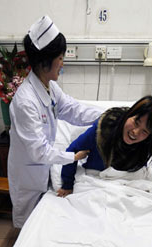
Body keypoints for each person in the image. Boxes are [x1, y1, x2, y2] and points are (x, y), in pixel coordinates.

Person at [8, 15, 101, 228]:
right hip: (27, 174)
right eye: (60, 58)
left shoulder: (49, 86)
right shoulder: (25, 101)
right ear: (44, 61)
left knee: (41, 221)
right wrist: (73, 156)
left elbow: (72, 109)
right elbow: (38, 151)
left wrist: (103, 115)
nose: (62, 63)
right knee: (26, 223)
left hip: (42, 168)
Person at [57, 95, 152, 197]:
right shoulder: (102, 130)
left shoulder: (145, 143)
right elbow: (72, 150)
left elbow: (140, 171)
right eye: (136, 123)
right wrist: (67, 184)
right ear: (128, 115)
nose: (136, 132)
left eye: (145, 131)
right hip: (96, 181)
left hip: (126, 184)